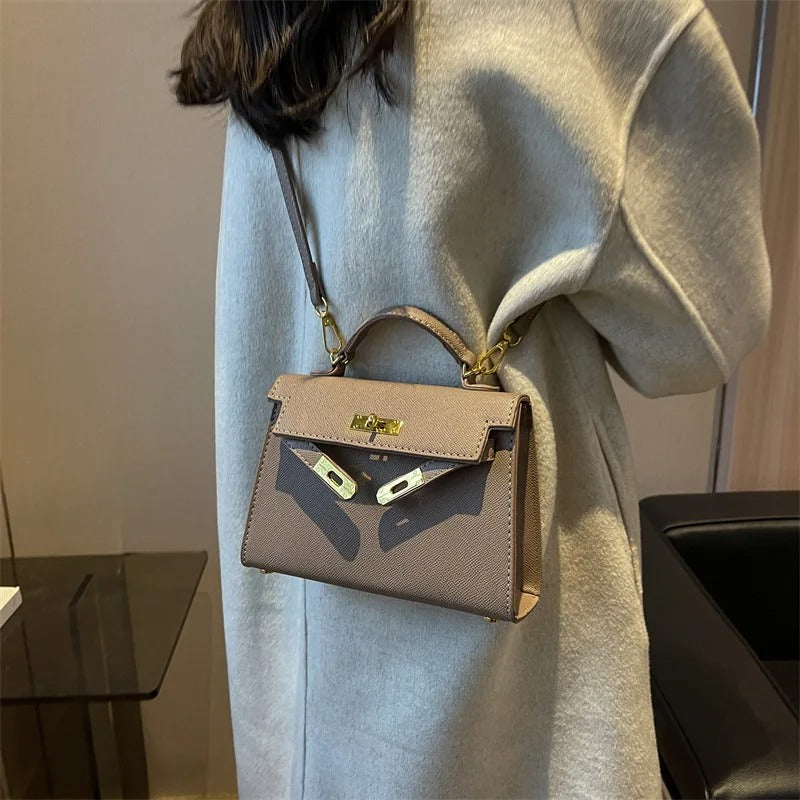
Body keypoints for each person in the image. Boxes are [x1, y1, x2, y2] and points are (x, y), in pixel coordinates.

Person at [173, 1, 771, 797]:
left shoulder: (266, 18)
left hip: (304, 666)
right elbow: (705, 327)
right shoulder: (576, 17)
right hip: (515, 708)